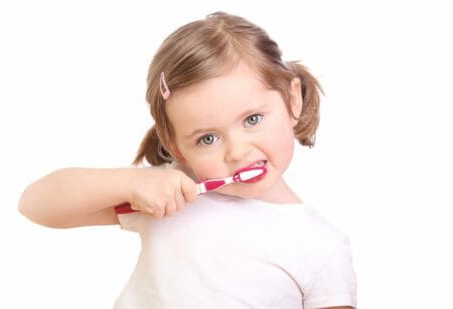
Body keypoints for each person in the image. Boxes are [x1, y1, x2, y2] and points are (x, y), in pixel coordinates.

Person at [19, 12, 357, 309]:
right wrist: (132, 182)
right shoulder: (172, 197)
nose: (237, 152)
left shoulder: (321, 247)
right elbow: (35, 205)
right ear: (176, 147)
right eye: (207, 138)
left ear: (292, 99)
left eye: (252, 119)